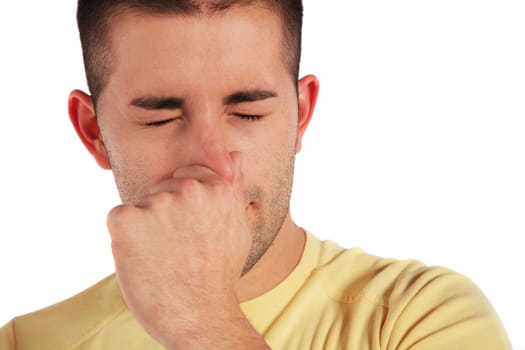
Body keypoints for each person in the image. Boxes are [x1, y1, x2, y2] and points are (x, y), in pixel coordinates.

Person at [0, 0, 512, 349]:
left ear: (301, 116)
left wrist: (201, 321)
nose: (213, 165)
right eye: (160, 118)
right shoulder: (29, 342)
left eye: (248, 113)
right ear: (93, 132)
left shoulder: (420, 318)